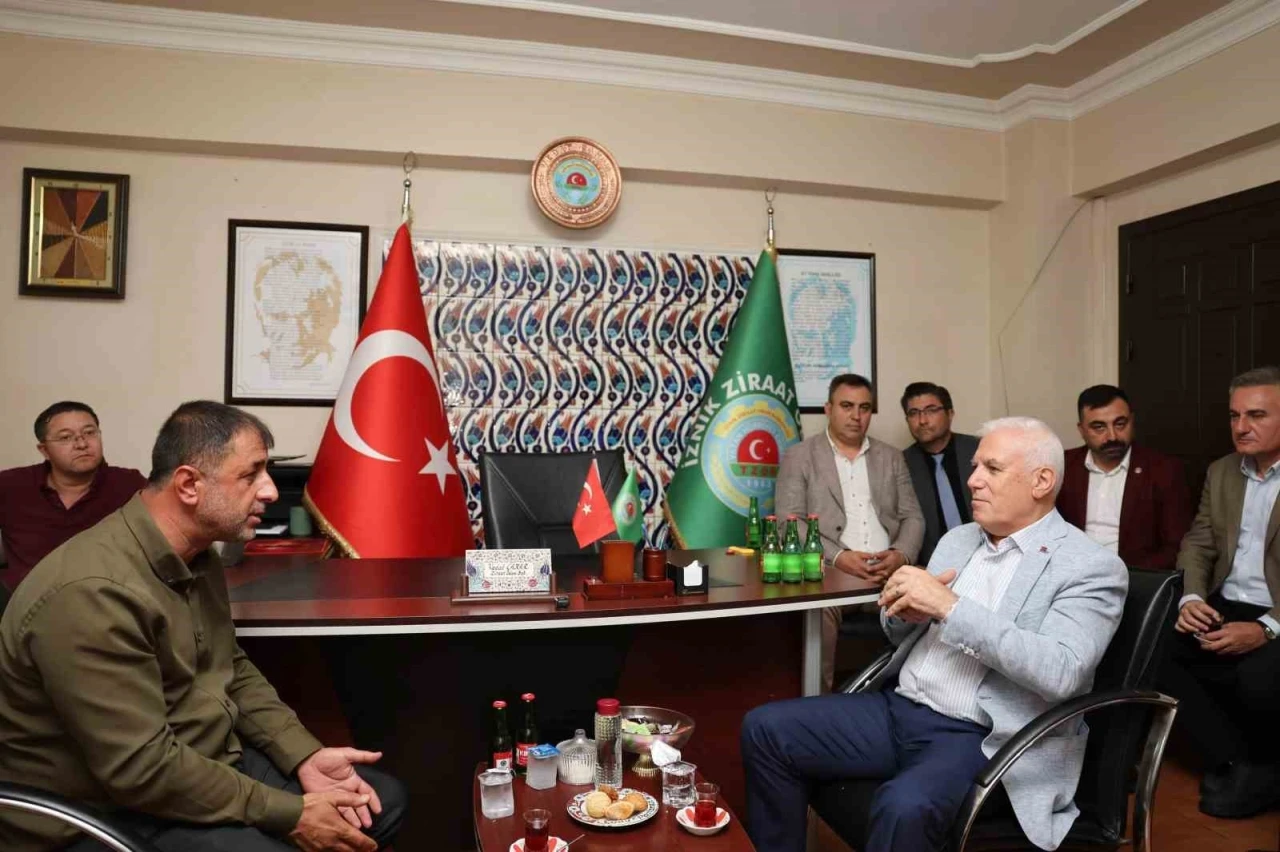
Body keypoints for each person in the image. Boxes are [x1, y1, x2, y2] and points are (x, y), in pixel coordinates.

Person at [0, 401, 405, 852]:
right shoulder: (91, 593)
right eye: (250, 475)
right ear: (189, 485)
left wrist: (303, 754)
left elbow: (229, 666)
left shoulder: (197, 551)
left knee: (379, 802)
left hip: (198, 760)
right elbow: (141, 769)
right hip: (102, 809)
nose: (271, 491)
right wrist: (289, 813)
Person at [743, 417, 1127, 852]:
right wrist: (903, 610)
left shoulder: (1088, 566)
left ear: (1042, 481)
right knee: (765, 728)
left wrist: (950, 607)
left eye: (992, 469)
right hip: (900, 708)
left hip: (982, 735)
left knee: (904, 806)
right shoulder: (959, 539)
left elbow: (1062, 672)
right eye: (976, 466)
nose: (973, 480)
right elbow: (898, 633)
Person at [1161, 366, 1280, 819]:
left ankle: (1263, 768)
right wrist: (1191, 597)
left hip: (1275, 611)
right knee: (1156, 651)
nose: (1241, 427)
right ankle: (1233, 760)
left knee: (1257, 676)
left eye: (1257, 415)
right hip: (1226, 601)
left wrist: (1266, 628)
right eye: (1234, 415)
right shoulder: (1223, 470)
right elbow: (1199, 542)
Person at [774, 373, 924, 691]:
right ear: (828, 409)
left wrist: (900, 555)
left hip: (889, 571)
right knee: (818, 606)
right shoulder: (800, 456)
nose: (856, 416)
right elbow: (789, 521)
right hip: (834, 575)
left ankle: (921, 694)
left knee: (937, 592)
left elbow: (913, 517)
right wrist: (840, 558)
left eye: (864, 408)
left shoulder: (891, 457)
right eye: (847, 406)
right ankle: (819, 699)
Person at [0, 401, 147, 590]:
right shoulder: (11, 485)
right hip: (28, 601)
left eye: (90, 433)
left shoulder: (129, 484)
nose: (82, 444)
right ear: (44, 450)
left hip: (105, 598)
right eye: (66, 437)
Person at [1056, 385, 1192, 570]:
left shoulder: (1164, 470)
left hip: (1134, 576)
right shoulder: (1062, 466)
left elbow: (1176, 545)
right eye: (1099, 427)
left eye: (1120, 424)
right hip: (1072, 574)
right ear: (1082, 430)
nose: (1112, 436)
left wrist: (1130, 576)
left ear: (1132, 421)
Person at [900, 382, 979, 566]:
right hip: (933, 565)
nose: (922, 420)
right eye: (913, 413)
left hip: (987, 555)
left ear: (950, 414)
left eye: (931, 410)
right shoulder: (902, 463)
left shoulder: (978, 450)